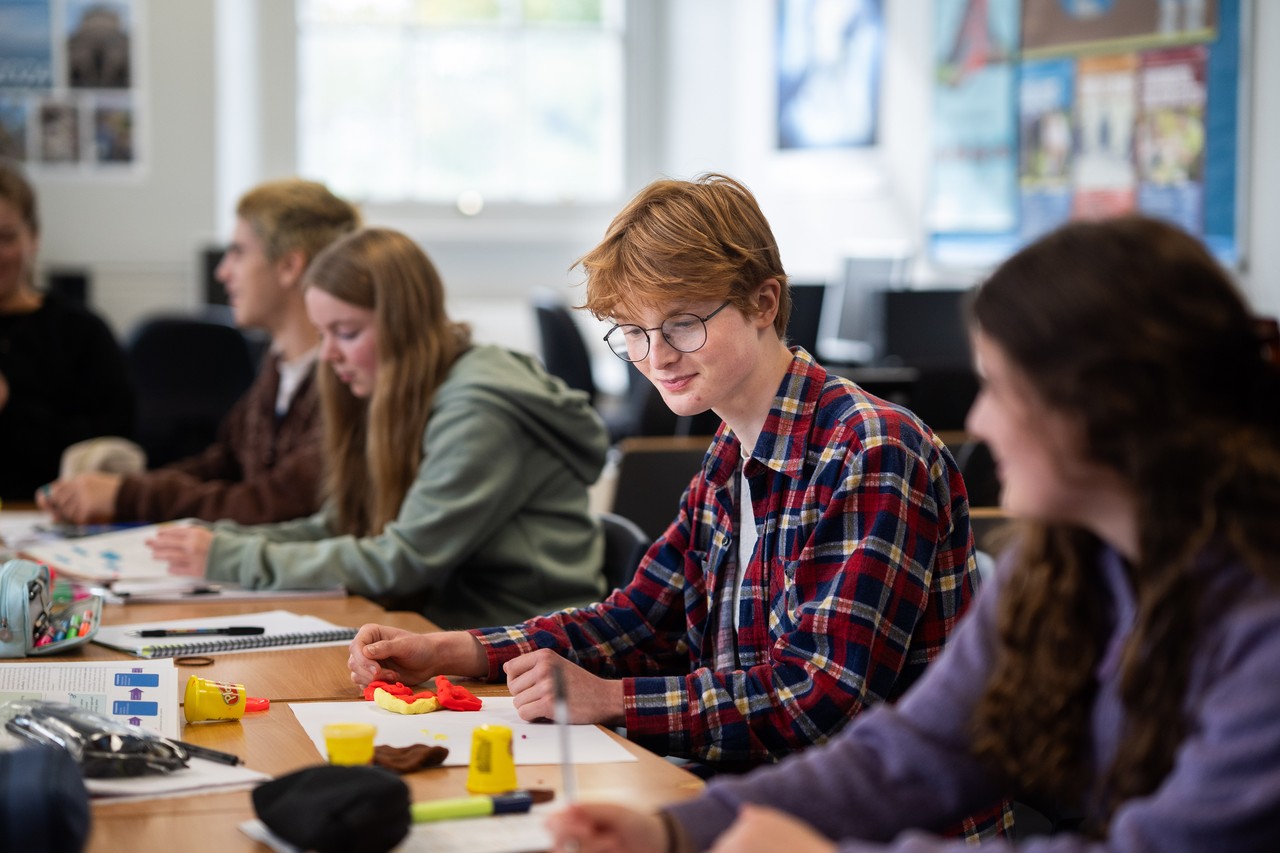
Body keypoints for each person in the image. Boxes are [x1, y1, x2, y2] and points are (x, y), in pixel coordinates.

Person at [546, 214, 1280, 852]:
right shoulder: (1063, 566)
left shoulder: (1260, 626)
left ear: (1115, 409)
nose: (982, 423)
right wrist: (682, 830)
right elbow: (915, 750)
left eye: (1002, 387)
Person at [347, 174, 1001, 837]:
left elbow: (818, 696)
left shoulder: (869, 450)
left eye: (682, 324)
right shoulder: (729, 451)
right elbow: (637, 620)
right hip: (756, 805)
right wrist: (453, 650)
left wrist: (610, 698)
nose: (656, 356)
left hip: (880, 831)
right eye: (633, 331)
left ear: (763, 301)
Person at [148, 227, 609, 629]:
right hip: (449, 628)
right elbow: (342, 525)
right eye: (322, 333)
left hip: (524, 642)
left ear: (403, 326)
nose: (328, 355)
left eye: (346, 333)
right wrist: (224, 543)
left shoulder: (478, 411)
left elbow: (401, 560)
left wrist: (233, 558)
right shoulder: (404, 389)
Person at [38, 179, 359, 525]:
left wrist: (127, 496)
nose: (223, 272)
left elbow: (273, 505)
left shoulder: (347, 377)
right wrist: (117, 485)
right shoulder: (280, 365)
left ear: (289, 266)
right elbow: (223, 464)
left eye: (238, 252)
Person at [0, 159, 135, 501]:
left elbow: (115, 444)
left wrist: (11, 407)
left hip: (47, 517)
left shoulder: (81, 333)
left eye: (6, 238)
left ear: (34, 238)